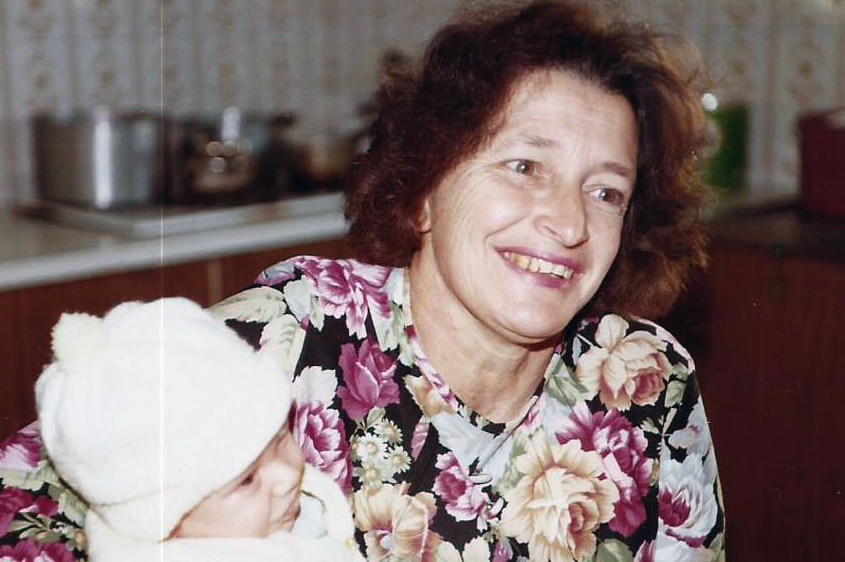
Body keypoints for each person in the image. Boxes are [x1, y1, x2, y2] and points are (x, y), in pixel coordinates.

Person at [0, 0, 725, 560]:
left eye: (604, 191)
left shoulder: (645, 378)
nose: (567, 222)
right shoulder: (282, 340)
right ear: (422, 188)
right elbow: (22, 503)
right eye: (523, 167)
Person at [30, 297, 363, 562]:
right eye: (247, 480)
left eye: (281, 439)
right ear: (169, 524)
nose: (288, 475)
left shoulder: (251, 523)